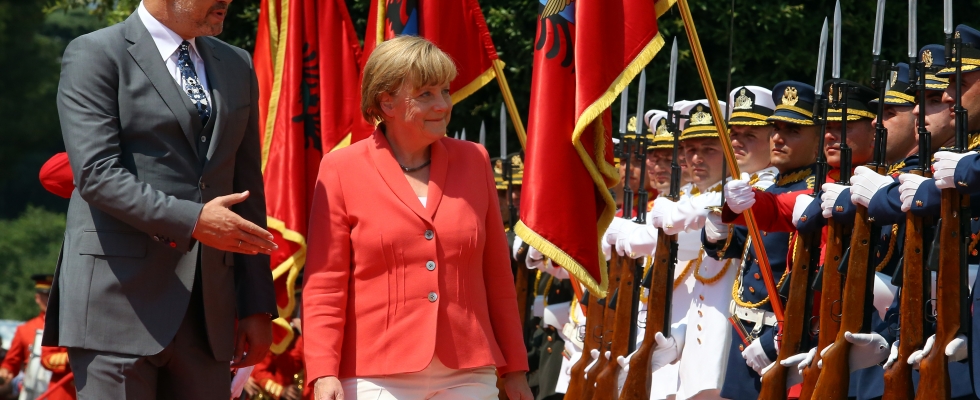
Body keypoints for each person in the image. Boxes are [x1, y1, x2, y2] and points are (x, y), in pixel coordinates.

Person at [47, 0, 279, 397]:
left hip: (208, 315)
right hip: (116, 305)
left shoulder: (236, 64)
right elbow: (96, 174)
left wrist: (257, 304)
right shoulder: (96, 53)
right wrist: (194, 221)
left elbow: (246, 187)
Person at [302, 36, 532, 400]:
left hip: (469, 371)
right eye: (426, 94)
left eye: (445, 91)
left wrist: (515, 370)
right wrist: (323, 372)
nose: (443, 104)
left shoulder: (475, 160)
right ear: (386, 102)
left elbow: (497, 276)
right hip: (374, 373)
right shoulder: (340, 168)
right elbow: (325, 285)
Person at [0, 275, 54, 385]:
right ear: (37, 298)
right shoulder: (24, 329)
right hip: (32, 389)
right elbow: (11, 363)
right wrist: (5, 371)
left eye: (53, 295)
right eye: (46, 295)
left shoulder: (71, 328)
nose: (50, 300)